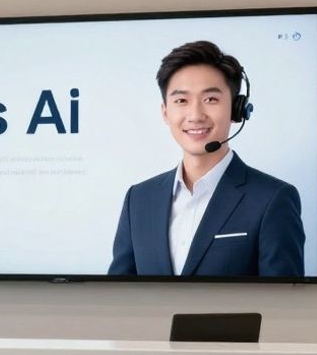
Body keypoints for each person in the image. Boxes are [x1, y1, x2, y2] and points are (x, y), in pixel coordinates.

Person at [108, 40, 304, 277]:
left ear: (236, 109)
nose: (195, 115)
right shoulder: (139, 199)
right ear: (165, 112)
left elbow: (284, 304)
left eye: (210, 99)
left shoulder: (273, 198)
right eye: (181, 100)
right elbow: (120, 296)